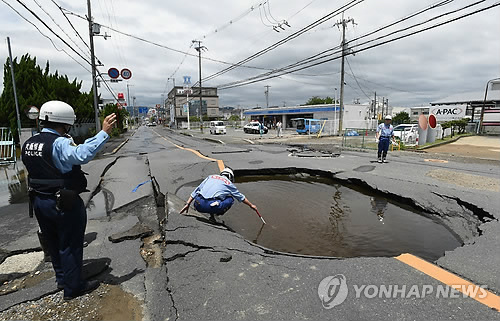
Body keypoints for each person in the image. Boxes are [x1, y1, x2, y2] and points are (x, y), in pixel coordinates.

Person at [22, 100, 117, 300]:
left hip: (39, 201)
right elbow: (81, 154)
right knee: (70, 244)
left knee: (54, 243)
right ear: (65, 123)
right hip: (62, 201)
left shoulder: (30, 143)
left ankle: (62, 279)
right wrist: (104, 133)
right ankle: (73, 288)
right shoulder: (59, 143)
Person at [179, 167, 259, 221]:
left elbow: (196, 190)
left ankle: (212, 215)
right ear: (230, 177)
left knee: (214, 195)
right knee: (230, 199)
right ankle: (216, 212)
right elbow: (241, 198)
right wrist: (251, 205)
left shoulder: (210, 177)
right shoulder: (229, 183)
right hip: (210, 206)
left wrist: (187, 204)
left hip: (197, 204)